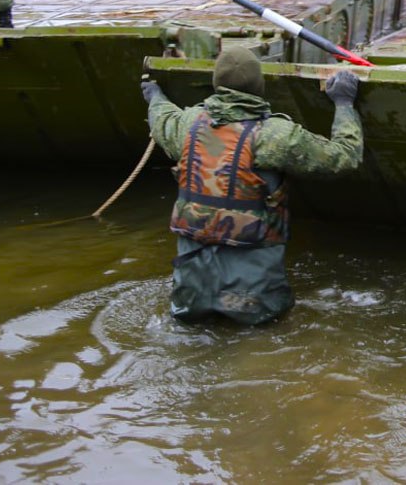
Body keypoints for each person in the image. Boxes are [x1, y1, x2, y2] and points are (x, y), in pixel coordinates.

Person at [141, 47, 363, 326]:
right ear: (260, 87)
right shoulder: (275, 136)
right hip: (253, 300)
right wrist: (344, 103)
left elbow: (161, 119)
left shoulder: (189, 126)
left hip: (190, 295)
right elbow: (344, 157)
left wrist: (155, 96)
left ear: (216, 84)